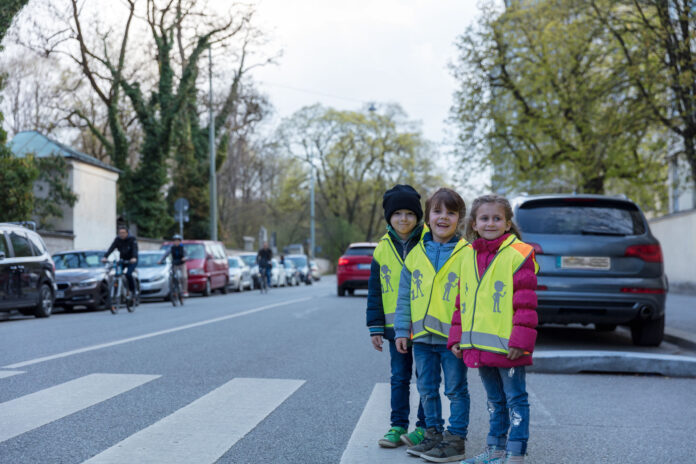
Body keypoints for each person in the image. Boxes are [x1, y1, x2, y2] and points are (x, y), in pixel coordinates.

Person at [449, 195, 538, 464]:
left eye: (497, 218)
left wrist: (520, 341)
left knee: (515, 399)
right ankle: (495, 451)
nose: (491, 223)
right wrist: (456, 338)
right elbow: (461, 301)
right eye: (484, 218)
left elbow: (526, 302)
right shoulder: (466, 256)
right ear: (474, 224)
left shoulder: (519, 253)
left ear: (508, 223)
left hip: (509, 346)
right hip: (479, 345)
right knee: (494, 401)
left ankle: (515, 453)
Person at [394, 187, 470, 463]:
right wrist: (402, 330)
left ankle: (456, 439)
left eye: (451, 212)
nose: (443, 217)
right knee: (426, 389)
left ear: (459, 219)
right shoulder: (415, 254)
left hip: (453, 340)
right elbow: (404, 297)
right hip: (422, 339)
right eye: (437, 211)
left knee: (455, 390)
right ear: (427, 218)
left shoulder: (467, 254)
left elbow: (472, 299)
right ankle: (433, 434)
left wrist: (464, 334)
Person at [366, 185, 428, 449]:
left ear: (418, 216)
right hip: (394, 328)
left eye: (410, 213)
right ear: (389, 217)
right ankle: (397, 425)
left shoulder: (431, 240)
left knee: (426, 378)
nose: (404, 219)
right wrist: (375, 326)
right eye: (398, 213)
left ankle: (425, 427)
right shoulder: (381, 249)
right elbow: (375, 290)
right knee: (400, 377)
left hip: (427, 325)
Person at [102, 224, 138, 306]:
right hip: (122, 259)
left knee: (128, 274)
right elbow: (111, 248)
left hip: (132, 260)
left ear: (127, 232)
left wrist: (134, 258)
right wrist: (105, 257)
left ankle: (133, 291)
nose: (121, 234)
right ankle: (120, 289)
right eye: (120, 232)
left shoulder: (132, 239)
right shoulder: (117, 239)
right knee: (117, 274)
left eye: (123, 232)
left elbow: (134, 249)